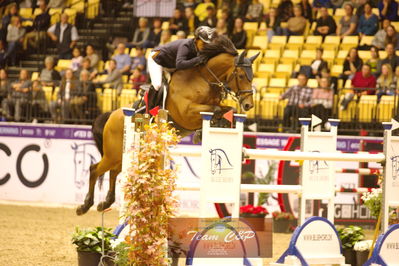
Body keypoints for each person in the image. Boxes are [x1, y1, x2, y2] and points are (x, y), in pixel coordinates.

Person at [147, 26, 216, 91]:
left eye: (207, 44)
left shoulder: (198, 48)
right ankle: (146, 102)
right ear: (196, 39)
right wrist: (199, 59)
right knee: (157, 85)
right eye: (203, 43)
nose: (205, 46)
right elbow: (180, 64)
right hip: (157, 58)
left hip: (170, 63)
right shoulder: (186, 46)